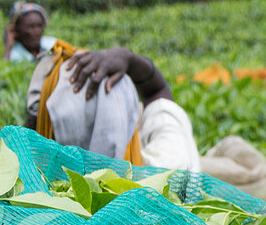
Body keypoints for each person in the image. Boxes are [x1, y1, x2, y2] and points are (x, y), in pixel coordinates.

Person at [25, 43, 202, 172]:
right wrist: (129, 59)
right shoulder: (169, 173)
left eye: (38, 111)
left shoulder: (20, 198)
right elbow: (157, 93)